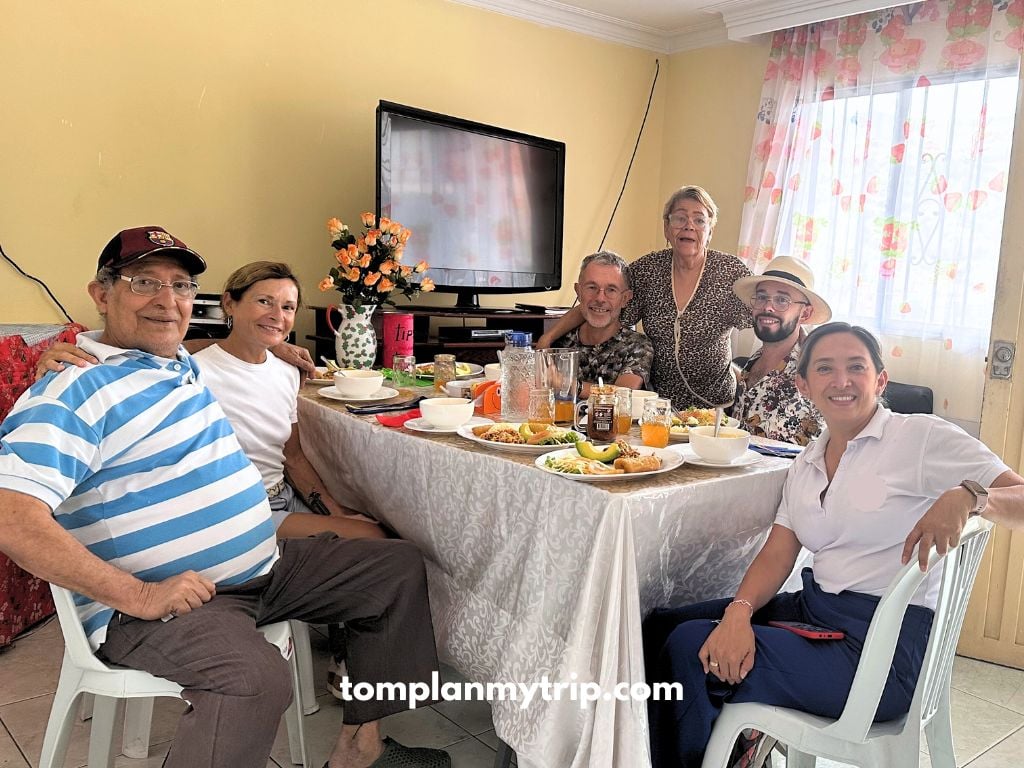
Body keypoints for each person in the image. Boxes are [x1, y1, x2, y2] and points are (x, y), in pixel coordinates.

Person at [0, 226, 450, 768]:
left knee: (395, 567)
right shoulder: (74, 387)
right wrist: (139, 597)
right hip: (161, 603)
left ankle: (360, 748)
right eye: (145, 282)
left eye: (183, 286)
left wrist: (277, 343)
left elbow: (198, 343)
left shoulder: (175, 363)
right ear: (102, 294)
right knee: (254, 681)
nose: (168, 302)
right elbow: (10, 514)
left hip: (264, 568)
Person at [642, 322, 1024, 768]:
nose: (841, 381)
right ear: (803, 384)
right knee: (660, 626)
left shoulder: (919, 438)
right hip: (817, 613)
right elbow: (778, 552)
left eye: (855, 367)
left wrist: (972, 495)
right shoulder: (805, 462)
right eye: (825, 368)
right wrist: (739, 612)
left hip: (879, 654)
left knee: (691, 646)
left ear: (880, 379)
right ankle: (726, 749)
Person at [38, 260, 385, 542]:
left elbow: (291, 456)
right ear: (229, 303)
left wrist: (333, 510)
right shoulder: (188, 370)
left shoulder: (288, 370)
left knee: (378, 522)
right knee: (372, 537)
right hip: (239, 507)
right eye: (264, 301)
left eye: (288, 307)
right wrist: (76, 351)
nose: (278, 315)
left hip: (286, 495)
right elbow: (136, 355)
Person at [539, 185, 752, 410]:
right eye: (679, 218)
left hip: (716, 406)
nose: (689, 226)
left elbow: (767, 314)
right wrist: (547, 339)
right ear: (666, 228)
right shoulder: (647, 270)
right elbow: (600, 300)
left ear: (710, 230)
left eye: (699, 220)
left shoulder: (731, 272)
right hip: (660, 407)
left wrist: (755, 372)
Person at [730, 255, 831, 445]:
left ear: (805, 313)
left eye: (782, 300)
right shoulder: (752, 362)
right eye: (761, 297)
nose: (768, 307)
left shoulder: (818, 369)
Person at [551, 251, 653, 396]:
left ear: (625, 298)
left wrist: (567, 384)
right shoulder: (560, 343)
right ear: (578, 292)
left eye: (611, 290)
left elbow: (622, 394)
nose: (600, 298)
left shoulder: (637, 346)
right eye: (592, 287)